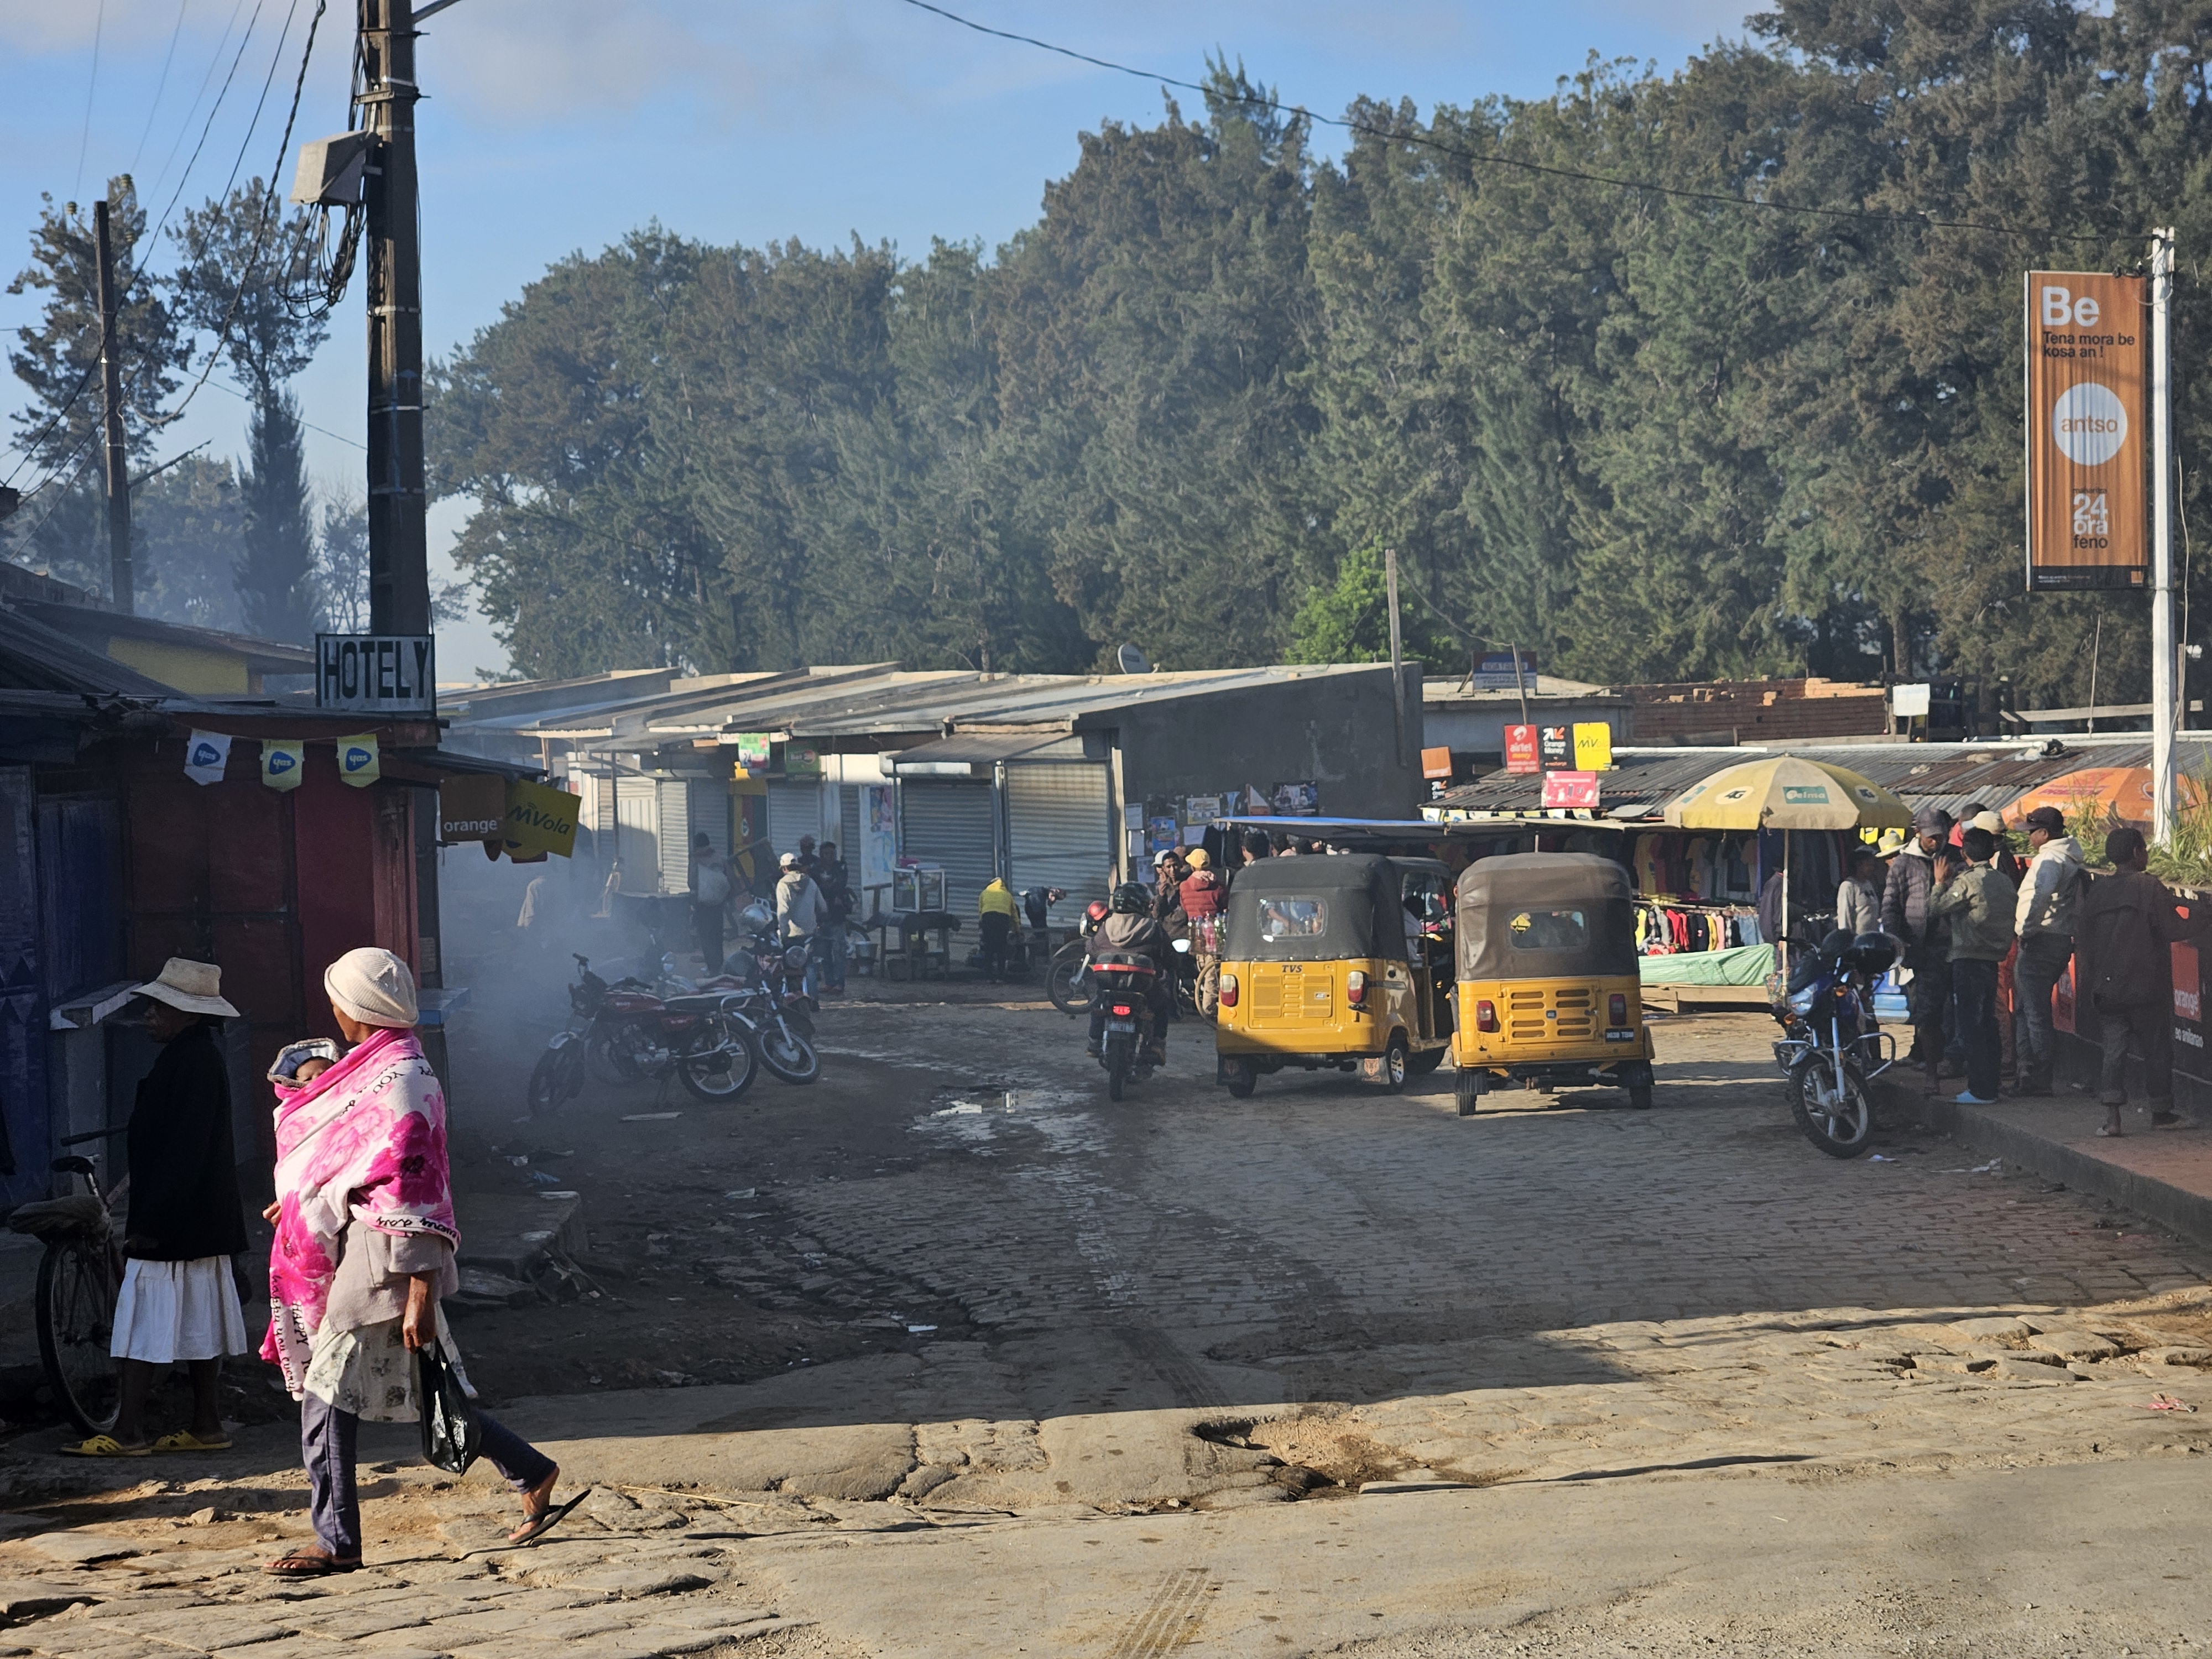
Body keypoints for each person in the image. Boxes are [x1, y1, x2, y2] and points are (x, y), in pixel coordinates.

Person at [263, 949, 581, 1573]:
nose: (333, 1012)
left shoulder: (401, 1078)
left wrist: (419, 1294)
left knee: (326, 1401)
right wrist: (303, 1199)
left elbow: (416, 1192)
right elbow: (348, 1165)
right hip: (370, 1253)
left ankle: (337, 1542)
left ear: (355, 1008)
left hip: (386, 1265)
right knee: (424, 1388)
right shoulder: (377, 1069)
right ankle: (531, 1471)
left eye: (337, 1001)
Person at [61, 959, 251, 1458]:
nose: (149, 1016)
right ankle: (206, 1425)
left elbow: (184, 1151)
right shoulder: (196, 1057)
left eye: (159, 1008)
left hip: (174, 1222)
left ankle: (128, 1432)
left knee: (140, 1323)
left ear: (188, 1014)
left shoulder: (192, 1062)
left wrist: (150, 1224)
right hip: (201, 1221)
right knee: (201, 1317)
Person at [2076, 826, 2212, 1135]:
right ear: (2138, 853)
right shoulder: (2148, 886)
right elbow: (2173, 929)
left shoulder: (2098, 890)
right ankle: (2161, 1114)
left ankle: (2113, 1119)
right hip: (2145, 986)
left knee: (2114, 1051)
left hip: (2106, 988)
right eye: (2146, 850)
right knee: (2157, 1050)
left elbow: (2083, 936)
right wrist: (2203, 916)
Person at [1929, 826, 2016, 1105]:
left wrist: (1939, 883)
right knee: (1988, 1023)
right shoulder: (2004, 881)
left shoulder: (1968, 881)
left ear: (1965, 852)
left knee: (1970, 1025)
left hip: (1968, 959)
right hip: (1993, 959)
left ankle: (1981, 1089)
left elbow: (1937, 908)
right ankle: (1992, 1084)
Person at [2011, 805, 2083, 1097]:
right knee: (2028, 1010)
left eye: (2031, 832)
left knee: (2034, 1013)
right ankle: (2028, 1074)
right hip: (2057, 938)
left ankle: (2038, 1077)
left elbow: (2040, 896)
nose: (2029, 838)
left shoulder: (2050, 859)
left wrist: (2027, 931)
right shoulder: (2065, 856)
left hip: (2041, 939)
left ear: (2044, 833)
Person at [1884, 806, 1955, 1087]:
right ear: (1918, 834)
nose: (1937, 842)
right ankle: (1931, 1073)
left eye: (1941, 836)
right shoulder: (1903, 864)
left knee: (1956, 1011)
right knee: (1927, 1013)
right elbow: (1890, 906)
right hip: (1922, 951)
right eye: (1931, 837)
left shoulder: (1955, 858)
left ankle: (1952, 1063)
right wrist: (1898, 941)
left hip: (1955, 947)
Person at [1086, 881, 1174, 1065]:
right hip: (1143, 986)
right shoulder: (1152, 927)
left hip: (1109, 983)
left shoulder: (1107, 925)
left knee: (1100, 1001)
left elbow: (1092, 949)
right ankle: (1157, 1044)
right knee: (1162, 1002)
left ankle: (1094, 1042)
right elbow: (1168, 954)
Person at [1177, 849, 1225, 1015]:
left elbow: (1185, 908)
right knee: (1213, 970)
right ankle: (1208, 1008)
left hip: (1195, 932)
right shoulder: (1219, 887)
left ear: (1192, 867)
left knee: (1203, 968)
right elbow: (1225, 906)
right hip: (1214, 933)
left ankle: (1206, 1003)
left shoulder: (1184, 886)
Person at [775, 853, 827, 995]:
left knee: (788, 967)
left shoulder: (783, 884)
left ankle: (790, 996)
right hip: (809, 932)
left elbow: (783, 912)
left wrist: (782, 934)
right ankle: (813, 999)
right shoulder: (811, 882)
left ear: (784, 869)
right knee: (809, 965)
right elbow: (823, 907)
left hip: (791, 934)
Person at [688, 833, 733, 974]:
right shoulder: (719, 857)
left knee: (706, 938)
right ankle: (719, 966)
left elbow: (692, 882)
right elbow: (730, 878)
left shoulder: (695, 859)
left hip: (703, 906)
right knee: (717, 936)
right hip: (719, 905)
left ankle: (711, 968)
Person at [813, 841, 852, 995]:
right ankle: (829, 983)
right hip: (821, 917)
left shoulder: (840, 868)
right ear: (821, 855)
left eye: (832, 853)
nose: (830, 856)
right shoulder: (815, 870)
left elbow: (839, 886)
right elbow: (815, 889)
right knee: (824, 952)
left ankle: (839, 983)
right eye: (827, 854)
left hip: (837, 916)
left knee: (839, 951)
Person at [1835, 846, 1884, 941]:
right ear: (1858, 865)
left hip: (1872, 940)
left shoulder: (1868, 884)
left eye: (1873, 865)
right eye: (1869, 865)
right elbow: (1845, 917)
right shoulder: (1848, 886)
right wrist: (1847, 941)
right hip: (1858, 942)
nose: (1872, 868)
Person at [977, 876, 1019, 982]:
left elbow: (980, 911)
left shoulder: (984, 893)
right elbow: (1014, 914)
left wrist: (983, 925)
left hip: (988, 919)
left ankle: (989, 977)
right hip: (1002, 920)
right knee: (1001, 948)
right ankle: (1001, 976)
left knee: (989, 948)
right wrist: (1017, 930)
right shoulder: (1007, 895)